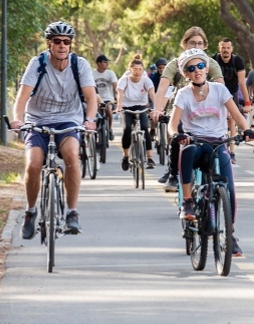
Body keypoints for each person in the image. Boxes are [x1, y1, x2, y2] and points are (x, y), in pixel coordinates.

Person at [9, 21, 98, 238]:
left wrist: (90, 119)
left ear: (70, 45)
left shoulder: (80, 65)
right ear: (49, 44)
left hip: (68, 120)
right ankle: (31, 211)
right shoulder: (37, 64)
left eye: (66, 42)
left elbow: (91, 98)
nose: (62, 46)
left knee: (71, 156)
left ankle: (72, 212)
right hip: (37, 120)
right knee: (33, 164)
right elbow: (21, 99)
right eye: (57, 41)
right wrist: (17, 119)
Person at [170, 47, 254, 257]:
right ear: (185, 74)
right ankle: (188, 203)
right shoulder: (183, 94)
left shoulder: (219, 90)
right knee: (186, 150)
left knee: (230, 190)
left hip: (218, 143)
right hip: (196, 143)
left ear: (207, 68)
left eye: (200, 66)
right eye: (191, 68)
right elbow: (172, 124)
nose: (197, 70)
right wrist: (176, 135)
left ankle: (230, 235)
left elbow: (236, 114)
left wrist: (247, 130)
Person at [151, 28, 223, 186]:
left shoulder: (211, 64)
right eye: (192, 43)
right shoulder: (175, 64)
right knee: (178, 135)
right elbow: (162, 88)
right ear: (184, 44)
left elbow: (220, 86)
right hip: (180, 108)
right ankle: (174, 173)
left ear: (205, 46)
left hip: (206, 111)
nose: (195, 46)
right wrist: (157, 109)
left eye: (199, 43)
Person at [117, 57, 157, 170]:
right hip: (127, 107)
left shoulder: (146, 80)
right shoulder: (124, 80)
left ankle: (149, 158)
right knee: (127, 129)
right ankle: (125, 156)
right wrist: (119, 106)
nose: (137, 72)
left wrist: (156, 107)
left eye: (140, 69)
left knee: (145, 127)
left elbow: (152, 94)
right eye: (135, 69)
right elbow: (120, 94)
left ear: (143, 70)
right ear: (130, 69)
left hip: (141, 106)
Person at [215, 37, 249, 107]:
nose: (226, 50)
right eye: (223, 48)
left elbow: (242, 83)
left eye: (228, 48)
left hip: (232, 92)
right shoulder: (214, 59)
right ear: (219, 48)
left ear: (232, 49)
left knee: (234, 115)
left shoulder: (237, 61)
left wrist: (247, 103)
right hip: (217, 93)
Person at [92, 54, 118, 140]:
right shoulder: (92, 74)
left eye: (107, 62)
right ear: (98, 63)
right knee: (94, 114)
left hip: (108, 99)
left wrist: (119, 97)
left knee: (108, 109)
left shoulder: (110, 73)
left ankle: (110, 129)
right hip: (95, 99)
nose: (107, 64)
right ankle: (94, 131)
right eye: (105, 62)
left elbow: (115, 86)